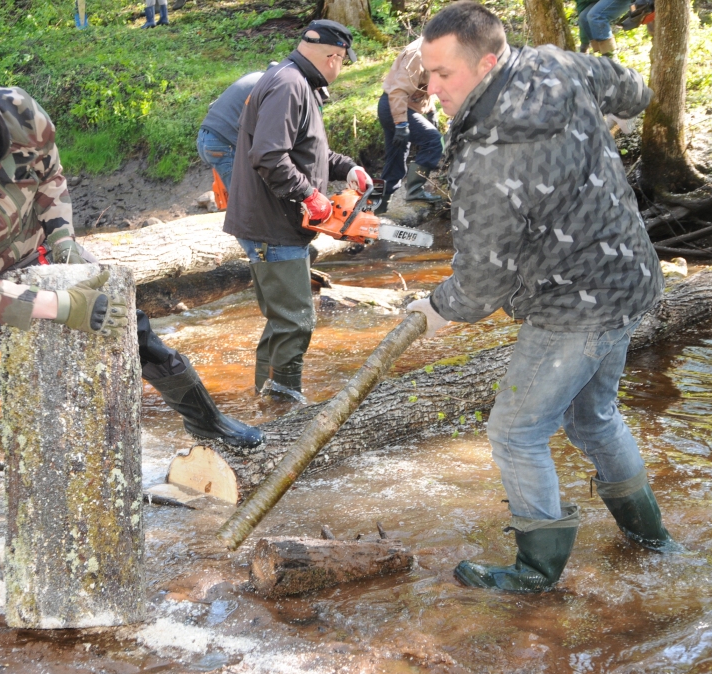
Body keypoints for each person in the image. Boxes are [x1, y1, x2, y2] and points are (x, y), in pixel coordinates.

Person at [0, 69, 262, 583]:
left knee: (129, 330)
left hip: (36, 252)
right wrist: (57, 306)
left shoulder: (21, 112)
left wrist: (63, 237)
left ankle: (204, 419)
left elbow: (51, 178)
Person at [406, 2, 679, 593]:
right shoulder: (555, 65)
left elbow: (481, 285)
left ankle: (535, 572)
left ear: (488, 61)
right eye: (427, 73)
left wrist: (434, 310)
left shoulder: (487, 158)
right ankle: (653, 541)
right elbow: (636, 90)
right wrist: (616, 123)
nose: (432, 88)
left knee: (514, 431)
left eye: (444, 74)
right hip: (631, 276)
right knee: (592, 416)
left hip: (575, 307)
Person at [223, 20, 372, 397]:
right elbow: (270, 156)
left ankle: (267, 398)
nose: (340, 68)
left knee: (282, 320)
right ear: (333, 56)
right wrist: (310, 196)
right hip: (273, 225)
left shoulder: (293, 81)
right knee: (295, 321)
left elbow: (308, 152)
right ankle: (284, 402)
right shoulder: (289, 86)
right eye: (342, 60)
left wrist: (348, 167)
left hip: (278, 223)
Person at [376, 37, 443, 208]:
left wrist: (431, 110)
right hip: (396, 106)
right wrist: (401, 123)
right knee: (433, 141)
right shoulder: (418, 53)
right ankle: (415, 192)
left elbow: (424, 86)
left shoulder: (434, 49)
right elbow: (399, 90)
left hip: (400, 106)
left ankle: (377, 205)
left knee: (395, 158)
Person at [198, 63, 278, 192]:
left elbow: (212, 106)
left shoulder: (253, 78)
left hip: (205, 138)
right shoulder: (271, 88)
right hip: (223, 143)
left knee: (244, 198)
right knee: (246, 200)